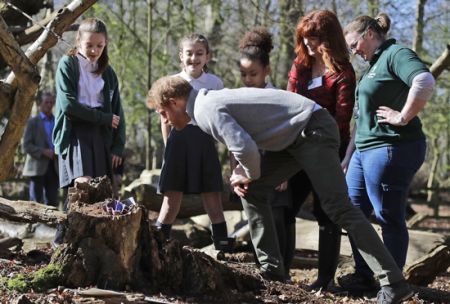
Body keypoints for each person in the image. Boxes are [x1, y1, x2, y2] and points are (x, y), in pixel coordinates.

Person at [147, 75, 414, 304]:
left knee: (339, 207)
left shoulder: (205, 108)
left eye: (163, 113)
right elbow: (245, 146)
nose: (166, 120)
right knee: (252, 190)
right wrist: (247, 175)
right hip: (294, 137)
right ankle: (272, 270)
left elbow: (246, 150)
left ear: (174, 102)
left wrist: (245, 172)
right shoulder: (205, 104)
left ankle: (393, 282)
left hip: (313, 130)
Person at [341, 13, 435, 295]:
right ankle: (364, 275)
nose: (353, 50)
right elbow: (361, 119)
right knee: (353, 213)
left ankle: (393, 286)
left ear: (370, 33)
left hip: (392, 146)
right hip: (362, 151)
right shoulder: (371, 67)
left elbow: (425, 80)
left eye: (354, 43)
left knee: (388, 215)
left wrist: (403, 117)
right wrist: (348, 156)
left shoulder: (395, 54)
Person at [286, 9, 356, 290]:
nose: (307, 46)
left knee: (326, 214)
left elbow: (341, 120)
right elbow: (287, 105)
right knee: (285, 206)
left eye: (313, 39)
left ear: (328, 38)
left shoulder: (343, 73)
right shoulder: (299, 66)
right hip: (296, 147)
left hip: (329, 150)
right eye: (304, 39)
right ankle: (281, 270)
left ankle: (325, 279)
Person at [157, 33, 233, 251]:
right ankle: (157, 245)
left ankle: (222, 248)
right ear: (181, 56)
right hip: (178, 141)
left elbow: (222, 117)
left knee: (212, 197)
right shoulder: (171, 82)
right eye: (189, 53)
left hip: (204, 140)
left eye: (199, 53)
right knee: (171, 199)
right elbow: (165, 121)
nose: (194, 58)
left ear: (207, 56)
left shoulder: (215, 83)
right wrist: (167, 149)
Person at [52, 18, 126, 244]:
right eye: (89, 45)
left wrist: (118, 145)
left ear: (105, 44)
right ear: (79, 42)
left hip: (102, 135)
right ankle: (63, 241)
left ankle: (96, 243)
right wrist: (102, 118)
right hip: (75, 132)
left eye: (99, 46)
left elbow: (117, 111)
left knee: (102, 190)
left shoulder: (108, 72)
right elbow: (69, 106)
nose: (94, 51)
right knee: (82, 186)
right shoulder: (68, 64)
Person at [238, 27, 295, 280]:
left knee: (279, 218)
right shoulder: (237, 98)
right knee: (255, 217)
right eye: (243, 74)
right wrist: (237, 169)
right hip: (250, 167)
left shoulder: (278, 97)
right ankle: (264, 269)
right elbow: (234, 138)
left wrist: (285, 174)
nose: (248, 79)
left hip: (276, 164)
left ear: (267, 71)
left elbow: (287, 137)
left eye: (253, 73)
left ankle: (284, 271)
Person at [22, 92, 59, 207]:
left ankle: (51, 225)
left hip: (54, 166)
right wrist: (43, 151)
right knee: (35, 202)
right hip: (37, 168)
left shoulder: (57, 122)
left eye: (51, 102)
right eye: (46, 102)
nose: (49, 105)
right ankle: (33, 225)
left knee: (53, 201)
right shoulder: (33, 122)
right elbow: (26, 145)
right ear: (40, 104)